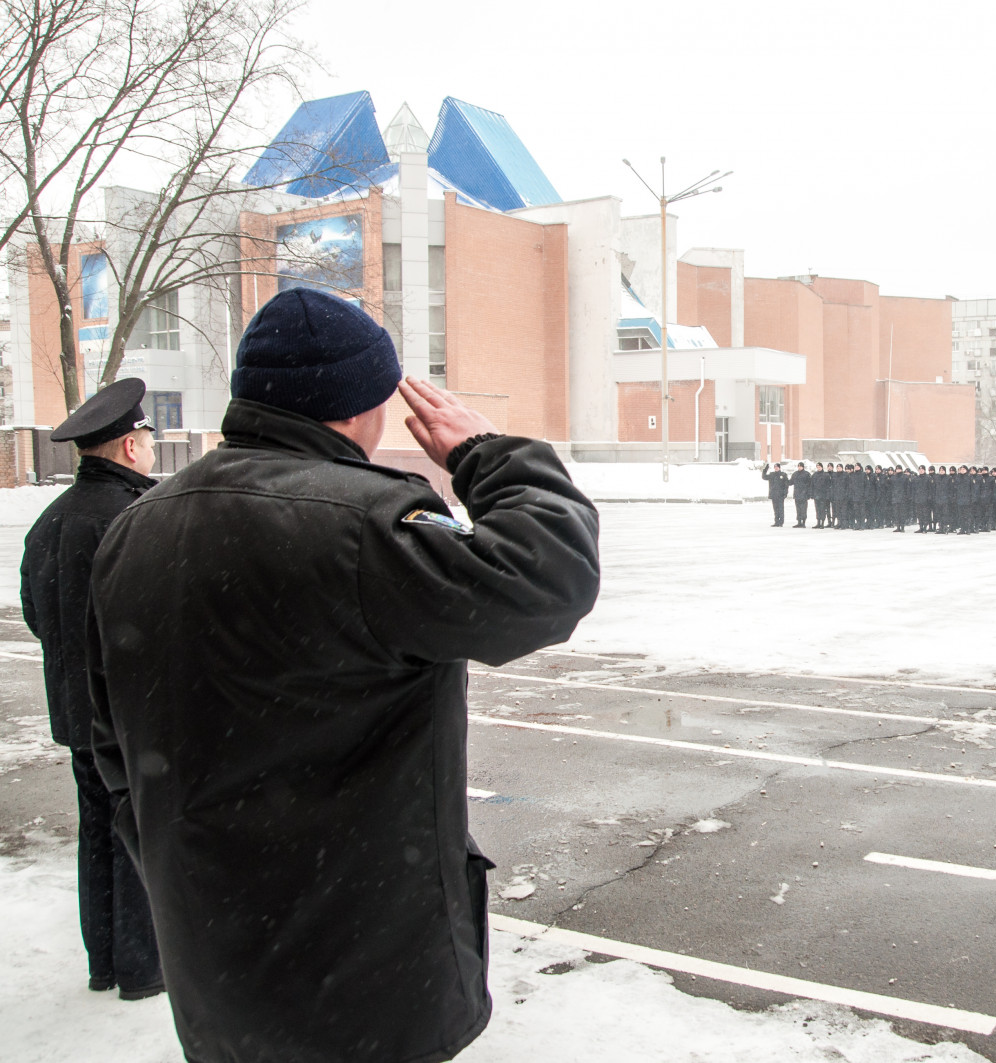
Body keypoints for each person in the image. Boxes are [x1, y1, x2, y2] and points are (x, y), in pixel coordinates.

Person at [86, 289, 602, 1063]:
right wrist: (487, 455)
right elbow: (548, 580)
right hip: (364, 961)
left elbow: (112, 739)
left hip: (214, 950)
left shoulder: (138, 524)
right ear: (362, 404)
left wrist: (172, 861)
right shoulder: (364, 522)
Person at [20, 378, 164, 1001]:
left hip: (76, 710)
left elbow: (35, 612)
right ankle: (140, 969)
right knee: (138, 830)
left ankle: (102, 962)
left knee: (97, 829)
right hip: (132, 712)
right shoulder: (138, 517)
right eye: (147, 441)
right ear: (131, 447)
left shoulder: (50, 521)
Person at [761, 460, 789, 526]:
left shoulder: (783, 475)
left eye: (777, 467)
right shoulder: (772, 474)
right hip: (774, 495)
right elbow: (764, 477)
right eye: (775, 467)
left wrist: (785, 493)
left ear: (779, 468)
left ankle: (781, 522)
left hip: (780, 495)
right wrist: (765, 469)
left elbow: (786, 485)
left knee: (781, 509)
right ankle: (776, 522)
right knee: (775, 509)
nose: (776, 468)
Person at [790, 461, 811, 528]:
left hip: (804, 494)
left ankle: (803, 522)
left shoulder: (807, 474)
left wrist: (808, 493)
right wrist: (784, 480)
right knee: (798, 509)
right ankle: (799, 522)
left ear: (803, 467)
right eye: (798, 466)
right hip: (797, 494)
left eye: (800, 466)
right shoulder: (795, 474)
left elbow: (809, 484)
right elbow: (791, 482)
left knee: (803, 509)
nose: (799, 467)